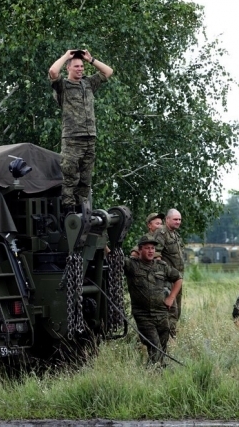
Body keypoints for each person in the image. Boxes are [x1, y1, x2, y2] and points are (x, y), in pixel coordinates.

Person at [48, 49, 114, 212]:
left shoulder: (88, 83)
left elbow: (108, 71)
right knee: (70, 177)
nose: (80, 69)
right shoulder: (63, 85)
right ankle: (69, 211)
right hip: (72, 138)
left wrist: (91, 60)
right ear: (68, 68)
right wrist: (66, 56)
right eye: (76, 66)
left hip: (89, 137)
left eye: (82, 67)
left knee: (85, 179)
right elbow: (53, 71)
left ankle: (82, 209)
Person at [123, 235, 182, 366]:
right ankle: (156, 371)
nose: (150, 251)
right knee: (155, 347)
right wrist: (102, 242)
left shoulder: (161, 266)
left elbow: (178, 278)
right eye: (147, 248)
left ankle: (155, 372)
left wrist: (171, 298)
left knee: (162, 348)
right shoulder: (132, 265)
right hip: (144, 315)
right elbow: (114, 259)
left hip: (161, 314)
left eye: (152, 248)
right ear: (139, 250)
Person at [154, 209, 184, 335]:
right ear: (167, 220)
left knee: (177, 310)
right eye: (175, 219)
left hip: (177, 280)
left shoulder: (175, 235)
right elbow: (156, 255)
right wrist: (164, 274)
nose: (178, 222)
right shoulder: (161, 233)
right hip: (167, 281)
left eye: (179, 220)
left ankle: (172, 335)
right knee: (170, 310)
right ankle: (167, 338)